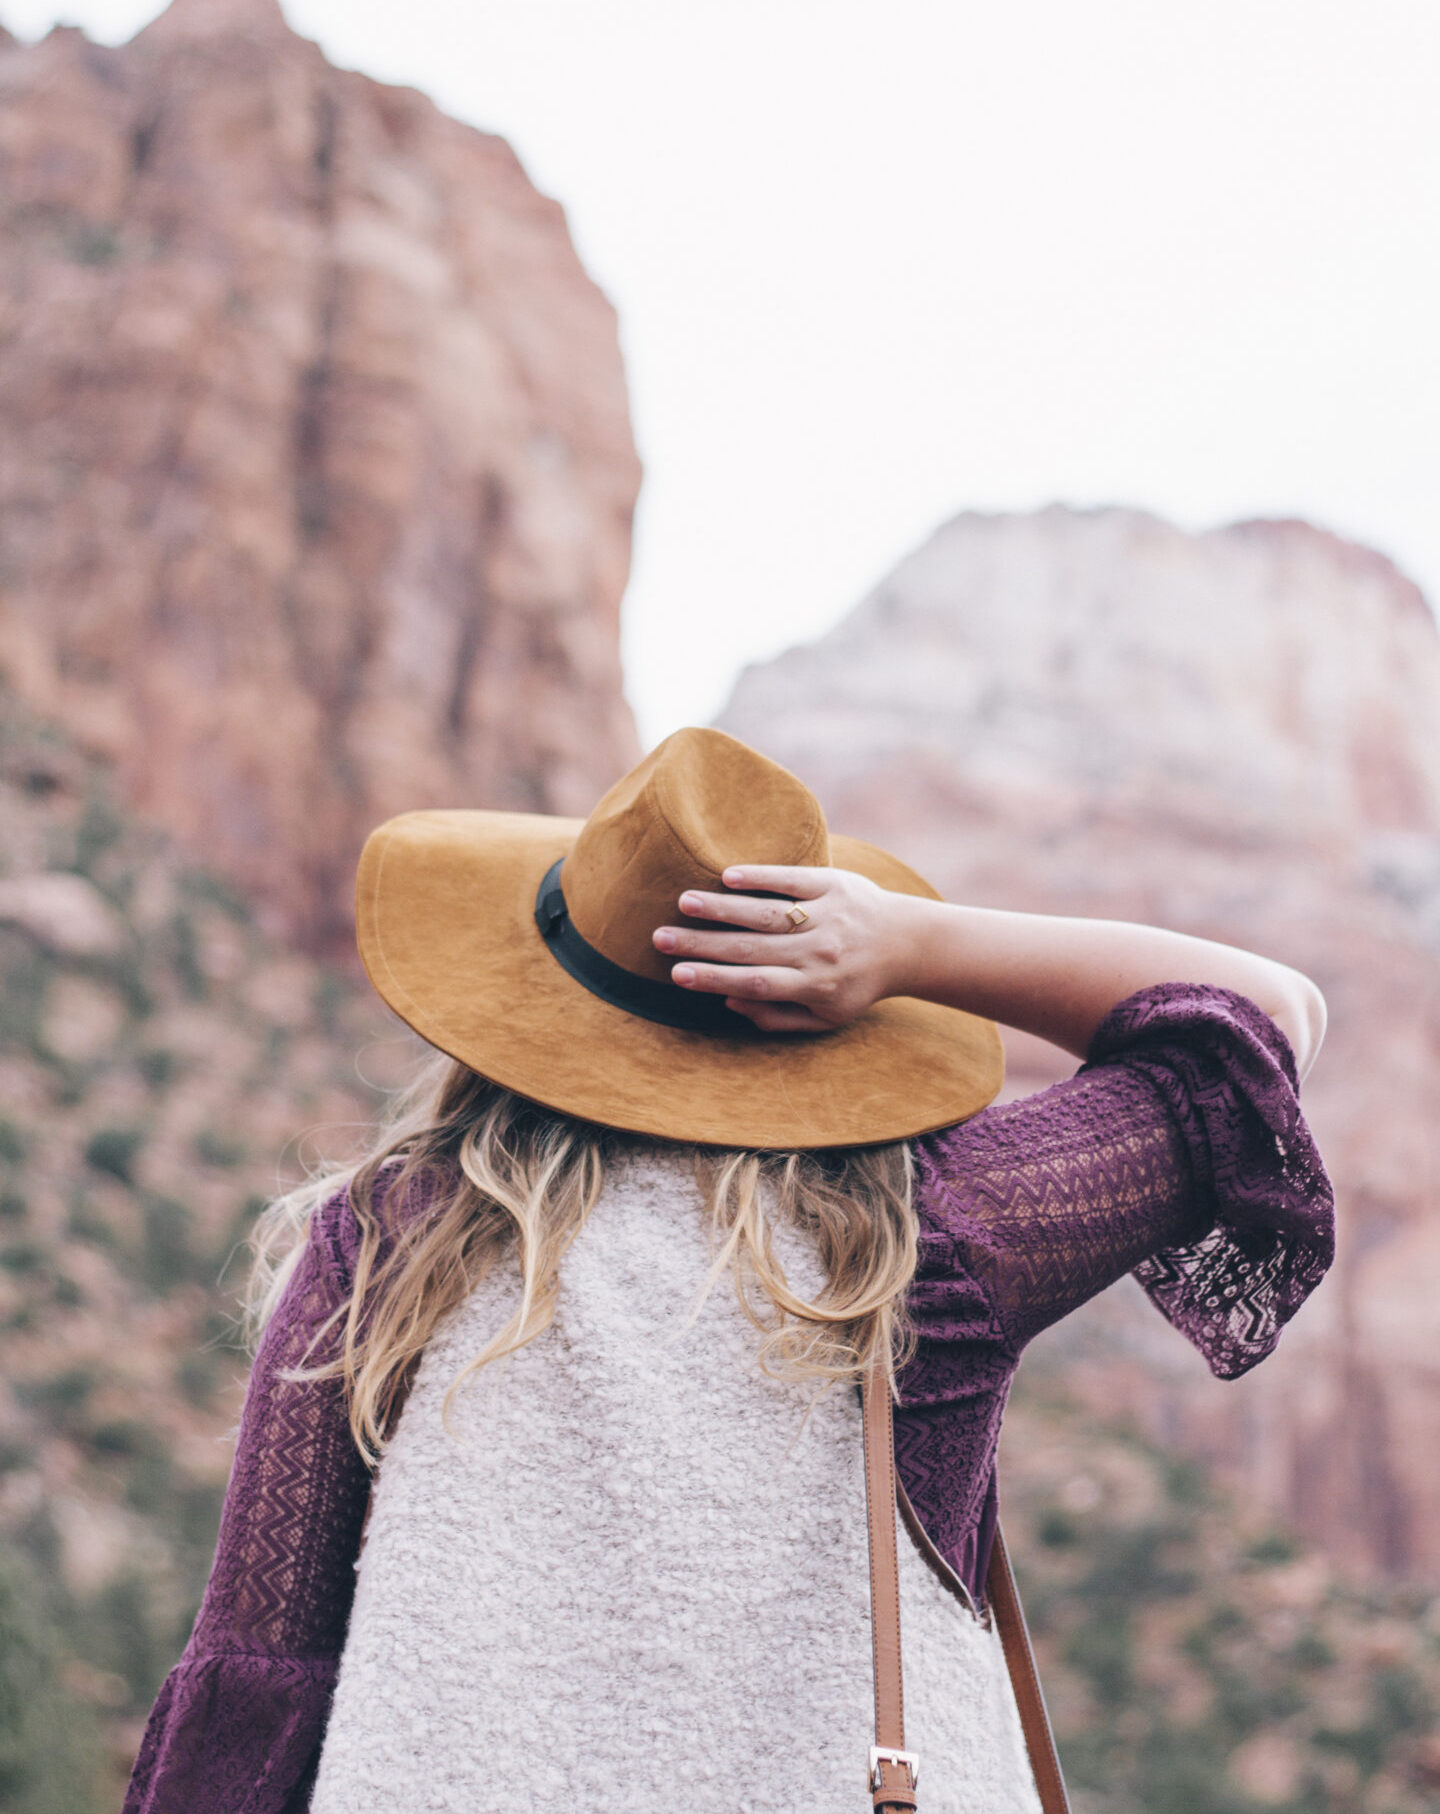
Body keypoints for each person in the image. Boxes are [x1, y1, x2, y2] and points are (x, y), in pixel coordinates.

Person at [123, 728, 1333, 1814]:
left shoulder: (390, 1238)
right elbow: (1263, 1022)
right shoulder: (936, 1234)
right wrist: (913, 943)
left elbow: (261, 1673)